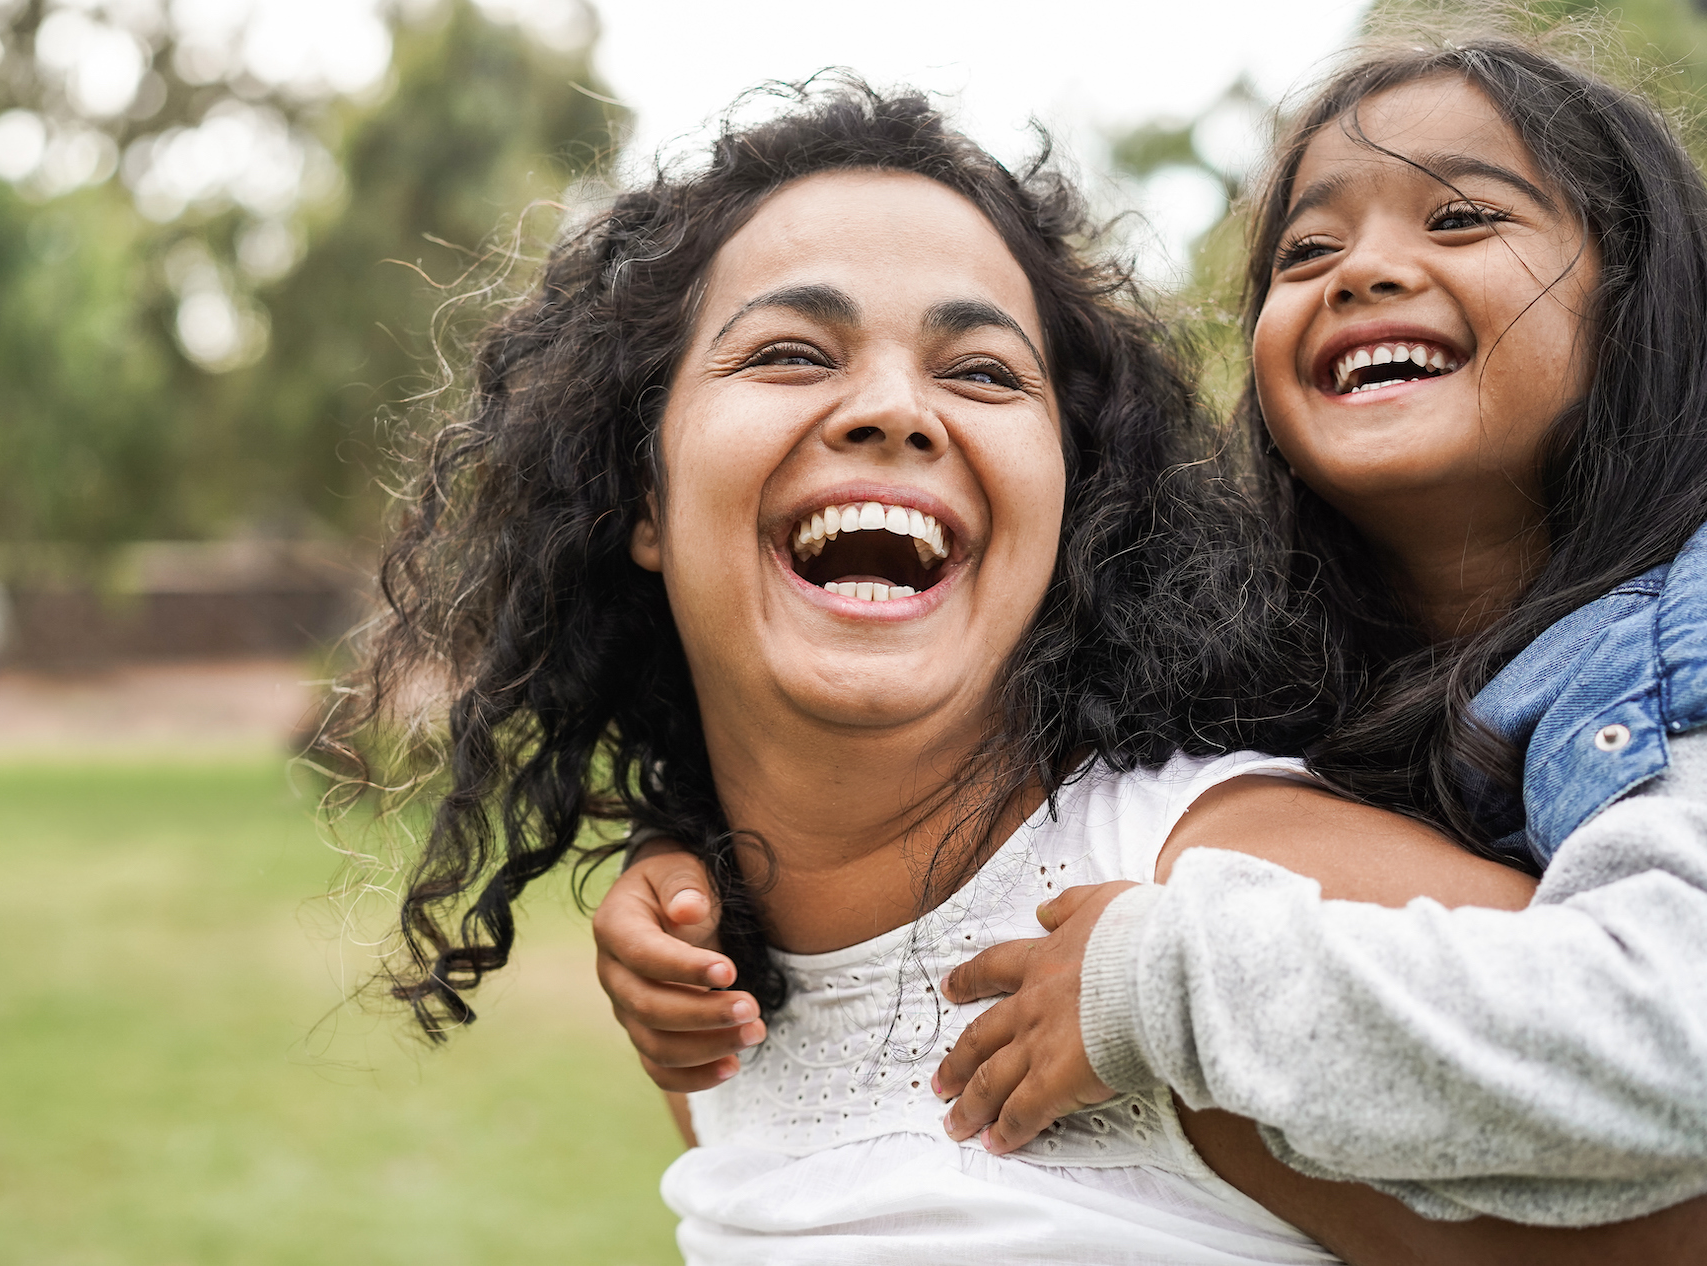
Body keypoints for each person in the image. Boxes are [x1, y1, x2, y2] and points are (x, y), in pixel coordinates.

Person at [330, 79, 1695, 1262]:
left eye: (982, 372)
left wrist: (1172, 995)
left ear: (1069, 501)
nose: (888, 407)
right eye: (792, 352)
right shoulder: (712, 979)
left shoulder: (1217, 913)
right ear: (641, 490)